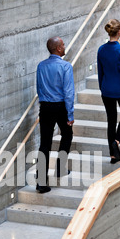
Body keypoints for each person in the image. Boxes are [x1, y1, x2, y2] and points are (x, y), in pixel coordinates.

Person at [35, 36, 75, 193]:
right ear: (58, 48)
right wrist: (70, 114)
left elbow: (39, 88)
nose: (65, 47)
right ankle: (60, 168)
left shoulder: (41, 66)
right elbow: (69, 93)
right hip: (60, 107)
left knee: (44, 144)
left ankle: (41, 182)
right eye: (63, 45)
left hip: (45, 107)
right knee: (67, 135)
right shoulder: (66, 66)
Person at [97, 19, 120, 164]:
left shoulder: (101, 49)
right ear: (119, 32)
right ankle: (116, 141)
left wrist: (103, 88)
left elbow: (100, 73)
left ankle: (113, 155)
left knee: (111, 121)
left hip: (106, 90)